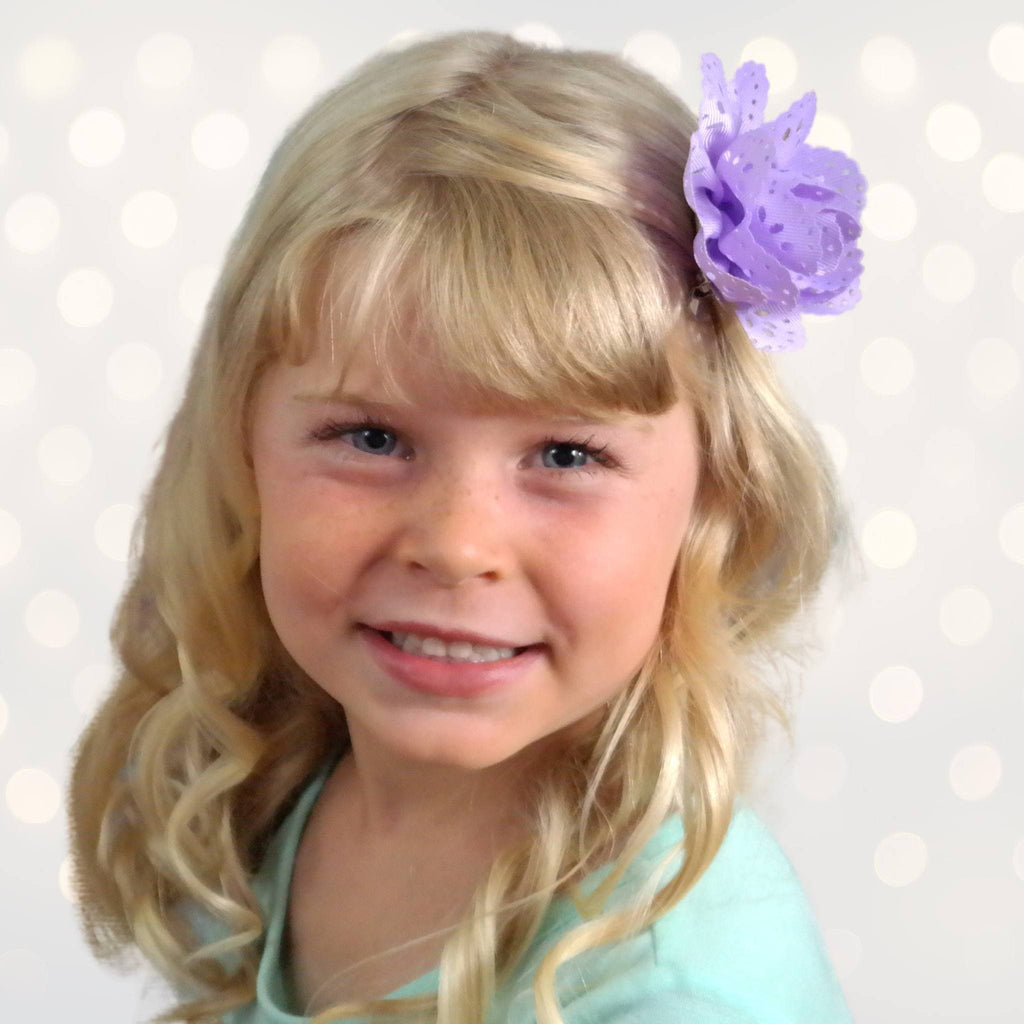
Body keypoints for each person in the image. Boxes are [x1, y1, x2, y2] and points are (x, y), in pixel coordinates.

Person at [66, 28, 867, 1024]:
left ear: (717, 495)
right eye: (370, 438)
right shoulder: (269, 790)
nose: (455, 545)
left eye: (565, 456)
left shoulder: (681, 990)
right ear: (241, 446)